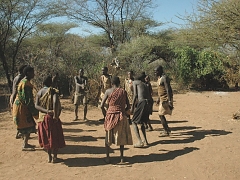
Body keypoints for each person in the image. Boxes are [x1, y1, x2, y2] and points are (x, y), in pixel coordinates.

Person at [100, 76, 133, 164]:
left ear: (112, 83)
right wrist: (123, 111)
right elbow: (128, 106)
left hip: (110, 115)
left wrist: (105, 114)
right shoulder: (123, 92)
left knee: (108, 137)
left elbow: (101, 105)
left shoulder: (108, 91)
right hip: (121, 116)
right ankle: (121, 158)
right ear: (119, 83)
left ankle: (107, 157)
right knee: (121, 137)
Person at [35, 75, 65, 163]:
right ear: (51, 83)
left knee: (46, 137)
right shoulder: (53, 92)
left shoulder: (39, 92)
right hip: (51, 118)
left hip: (42, 118)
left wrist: (45, 110)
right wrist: (55, 115)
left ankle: (49, 157)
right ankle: (55, 157)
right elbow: (55, 102)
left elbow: (36, 105)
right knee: (55, 136)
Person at [12, 66, 39, 151]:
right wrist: (34, 112)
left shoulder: (24, 82)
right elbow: (28, 100)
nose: (34, 74)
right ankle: (25, 145)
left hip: (20, 105)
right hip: (22, 107)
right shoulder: (26, 84)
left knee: (27, 124)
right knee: (28, 124)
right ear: (28, 73)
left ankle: (25, 143)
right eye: (32, 72)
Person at [131, 73, 151, 147]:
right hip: (147, 102)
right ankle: (145, 140)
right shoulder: (145, 84)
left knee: (133, 121)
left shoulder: (135, 82)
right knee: (141, 122)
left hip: (142, 102)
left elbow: (135, 95)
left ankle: (139, 141)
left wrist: (132, 106)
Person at [154, 65, 173, 136]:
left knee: (161, 115)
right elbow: (160, 89)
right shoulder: (159, 78)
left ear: (160, 71)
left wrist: (170, 101)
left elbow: (168, 89)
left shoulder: (164, 78)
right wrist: (158, 98)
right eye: (154, 72)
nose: (155, 73)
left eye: (156, 71)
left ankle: (166, 130)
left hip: (165, 99)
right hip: (162, 98)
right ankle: (167, 129)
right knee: (161, 115)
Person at [10, 64, 27, 139]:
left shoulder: (17, 77)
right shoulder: (20, 78)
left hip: (15, 98)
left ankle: (19, 133)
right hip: (17, 99)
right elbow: (16, 91)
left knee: (19, 117)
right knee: (20, 117)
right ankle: (21, 133)